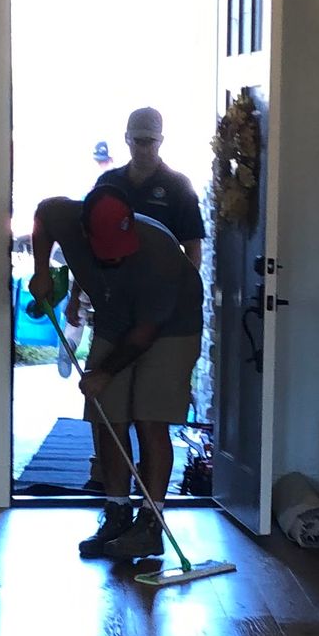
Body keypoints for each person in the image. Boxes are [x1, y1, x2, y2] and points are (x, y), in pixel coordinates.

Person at [31, 183, 204, 560]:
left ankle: (150, 524)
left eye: (119, 252)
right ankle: (117, 511)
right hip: (113, 319)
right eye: (106, 253)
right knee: (107, 414)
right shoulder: (67, 217)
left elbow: (144, 335)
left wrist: (104, 372)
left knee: (149, 417)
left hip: (170, 327)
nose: (114, 260)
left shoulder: (158, 254)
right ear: (84, 232)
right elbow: (43, 215)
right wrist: (41, 270)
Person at [99, 107, 204, 263]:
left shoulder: (179, 187)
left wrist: (184, 286)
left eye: (149, 142)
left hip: (161, 282)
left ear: (160, 141)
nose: (143, 149)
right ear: (127, 138)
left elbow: (193, 248)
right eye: (138, 141)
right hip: (114, 281)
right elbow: (91, 236)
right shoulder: (108, 183)